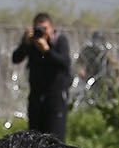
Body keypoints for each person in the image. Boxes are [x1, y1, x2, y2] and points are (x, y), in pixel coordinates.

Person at [11, 12, 73, 140]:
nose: (41, 32)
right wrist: (25, 43)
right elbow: (16, 58)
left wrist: (47, 51)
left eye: (44, 29)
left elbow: (65, 63)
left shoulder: (59, 41)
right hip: (36, 96)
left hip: (55, 97)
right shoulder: (32, 42)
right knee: (35, 139)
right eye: (38, 29)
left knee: (56, 139)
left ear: (52, 28)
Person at [76, 30, 114, 106]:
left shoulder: (106, 51)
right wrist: (81, 70)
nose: (97, 43)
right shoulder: (87, 50)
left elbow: (113, 64)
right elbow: (79, 61)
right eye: (96, 40)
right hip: (89, 75)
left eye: (99, 40)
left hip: (103, 76)